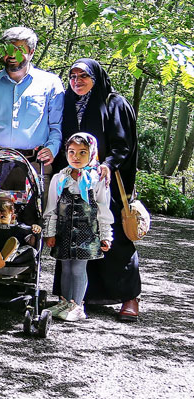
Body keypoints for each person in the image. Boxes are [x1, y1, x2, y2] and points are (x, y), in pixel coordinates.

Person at [53, 58, 142, 321]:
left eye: (84, 76)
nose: (77, 81)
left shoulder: (114, 103)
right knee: (73, 235)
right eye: (73, 76)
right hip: (73, 182)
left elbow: (123, 145)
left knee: (113, 238)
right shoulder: (66, 103)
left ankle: (129, 296)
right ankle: (74, 297)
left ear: (96, 77)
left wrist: (107, 165)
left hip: (106, 182)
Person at [0, 26, 65, 184]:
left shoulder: (51, 83)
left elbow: (56, 125)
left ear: (32, 51)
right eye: (8, 49)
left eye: (19, 49)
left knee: (37, 210)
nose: (12, 55)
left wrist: (52, 149)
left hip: (35, 165)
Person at [43, 133, 112, 322]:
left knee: (78, 269)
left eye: (83, 152)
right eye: (72, 152)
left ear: (91, 154)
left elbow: (102, 211)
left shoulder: (97, 180)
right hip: (64, 232)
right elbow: (51, 208)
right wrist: (50, 233)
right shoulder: (59, 178)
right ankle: (64, 301)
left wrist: (105, 236)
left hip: (86, 233)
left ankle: (78, 305)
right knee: (65, 267)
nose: (76, 156)